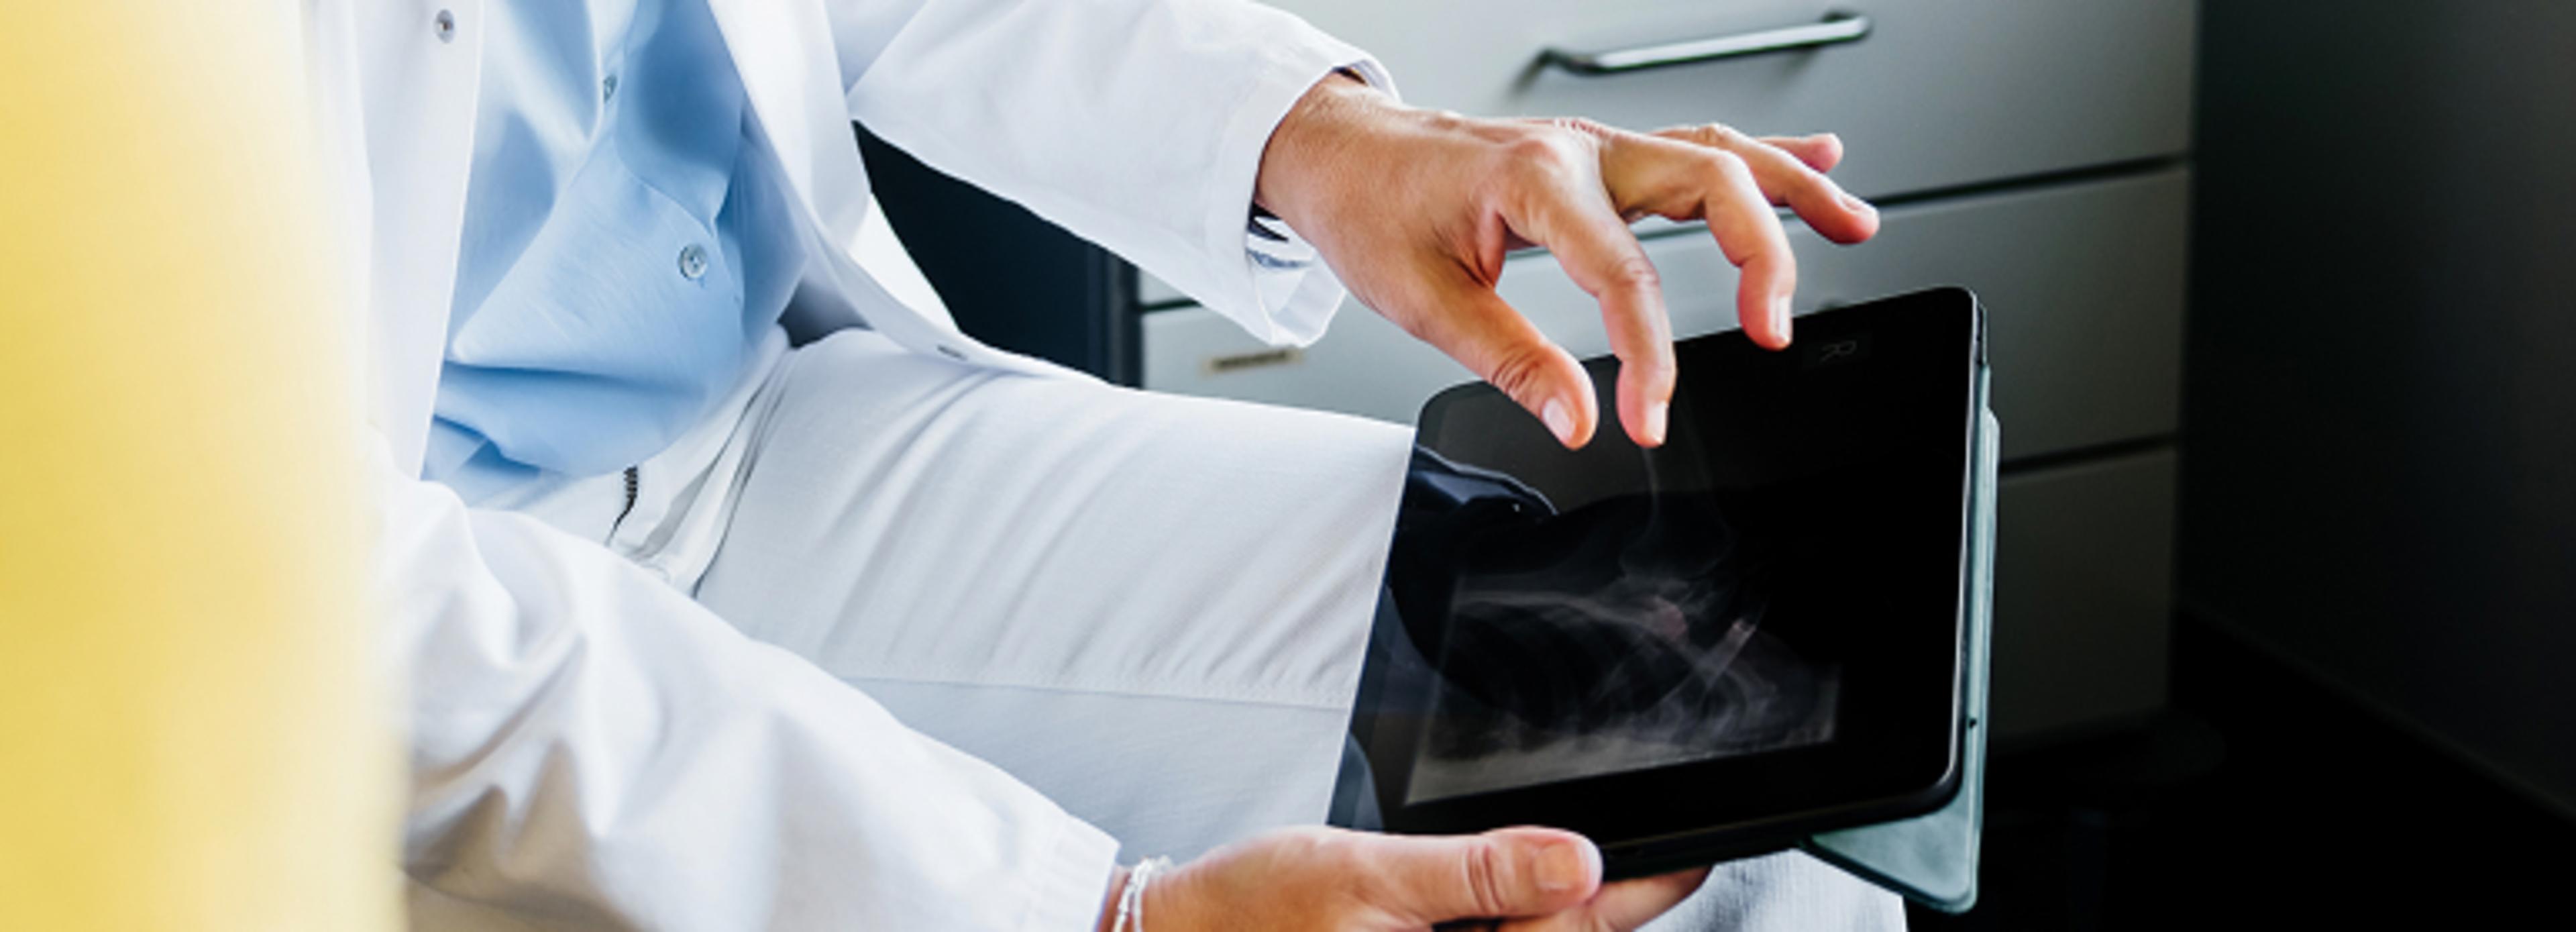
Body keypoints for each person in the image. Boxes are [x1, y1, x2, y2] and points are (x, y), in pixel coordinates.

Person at [310, 0, 1888, 928]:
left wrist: (1326, 140)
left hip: (762, 419)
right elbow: (295, 590)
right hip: (411, 607)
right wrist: (1100, 914)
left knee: (1731, 786)